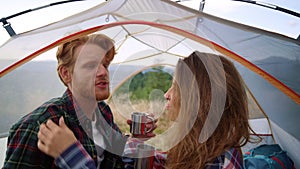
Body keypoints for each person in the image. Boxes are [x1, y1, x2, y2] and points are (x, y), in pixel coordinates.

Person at [37, 51, 255, 169]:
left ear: (198, 99)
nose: (167, 94)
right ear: (66, 74)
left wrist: (72, 157)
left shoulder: (223, 162)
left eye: (175, 87)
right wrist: (137, 141)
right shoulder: (202, 145)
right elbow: (163, 160)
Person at [3, 33, 156, 169]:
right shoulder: (39, 125)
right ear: (66, 74)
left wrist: (136, 140)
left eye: (105, 65)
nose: (103, 72)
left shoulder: (103, 112)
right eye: (91, 66)